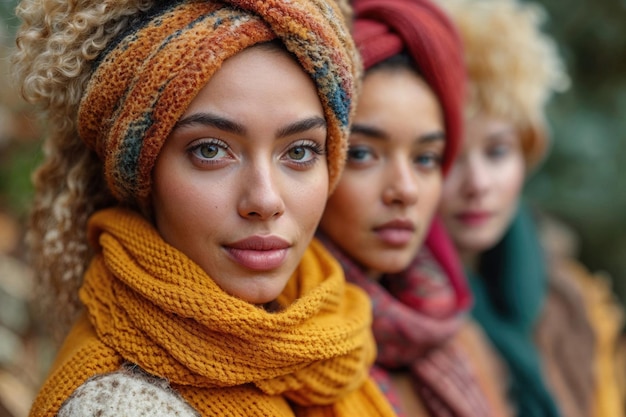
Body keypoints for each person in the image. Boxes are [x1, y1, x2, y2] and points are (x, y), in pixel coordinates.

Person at [12, 0, 399, 416]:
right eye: (211, 150)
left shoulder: (333, 335)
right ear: (142, 172)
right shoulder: (123, 405)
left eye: (300, 151)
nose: (266, 200)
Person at [316, 0, 512, 415]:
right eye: (364, 154)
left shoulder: (453, 330)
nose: (404, 190)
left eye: (426, 159)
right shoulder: (273, 341)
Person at [436, 0, 626, 416]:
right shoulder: (405, 318)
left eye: (497, 151)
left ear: (526, 156)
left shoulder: (573, 296)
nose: (478, 184)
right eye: (449, 156)